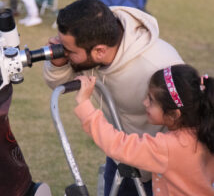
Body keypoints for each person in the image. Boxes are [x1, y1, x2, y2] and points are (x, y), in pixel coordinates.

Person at [43, 0, 184, 195]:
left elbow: (190, 132)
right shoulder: (94, 40)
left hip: (160, 169)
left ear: (100, 51)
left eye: (69, 51)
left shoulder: (158, 65)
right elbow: (60, 84)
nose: (64, 53)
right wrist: (57, 64)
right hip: (119, 154)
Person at [73, 64, 214, 195]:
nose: (144, 102)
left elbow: (118, 145)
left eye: (151, 100)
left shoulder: (168, 147)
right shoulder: (206, 131)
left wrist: (85, 105)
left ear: (174, 114)